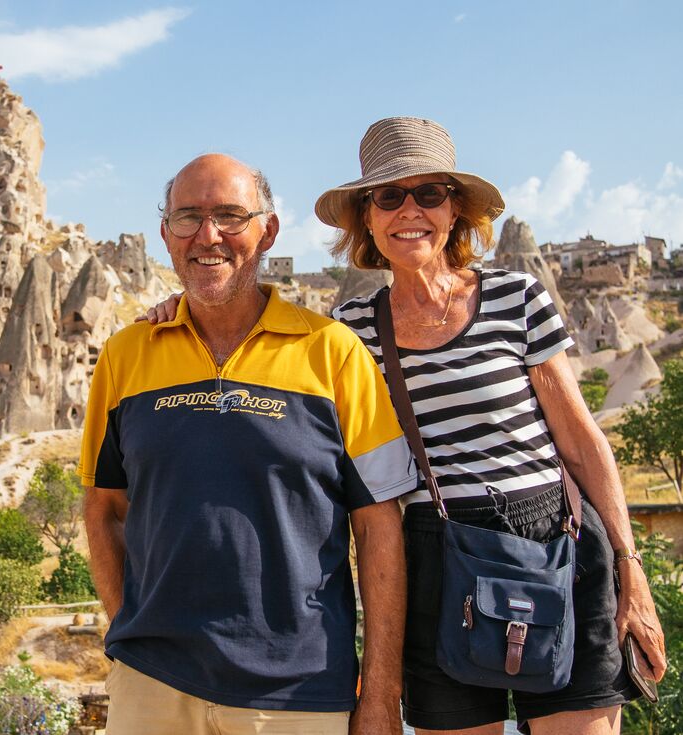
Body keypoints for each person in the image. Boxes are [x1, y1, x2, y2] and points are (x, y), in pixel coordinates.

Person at [145, 119, 667, 735]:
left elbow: (582, 441)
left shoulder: (517, 298)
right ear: (367, 217)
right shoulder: (351, 330)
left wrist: (632, 572)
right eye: (389, 196)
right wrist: (185, 307)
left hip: (554, 539)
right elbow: (265, 349)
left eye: (429, 194)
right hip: (436, 556)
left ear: (456, 211)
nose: (409, 210)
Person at [79, 153, 418, 735]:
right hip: (151, 688)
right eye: (187, 217)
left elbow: (379, 526)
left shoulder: (332, 352)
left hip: (298, 694)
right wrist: (123, 630)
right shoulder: (125, 355)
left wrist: (382, 693)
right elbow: (103, 507)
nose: (207, 236)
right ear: (166, 233)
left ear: (269, 230)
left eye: (231, 216)